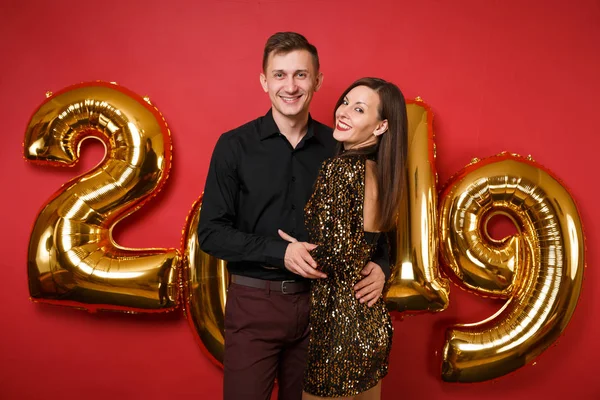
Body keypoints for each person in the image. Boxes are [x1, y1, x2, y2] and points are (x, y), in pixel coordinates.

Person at [197, 33, 391, 400]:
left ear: (317, 80)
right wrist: (279, 252)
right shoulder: (233, 146)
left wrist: (382, 266)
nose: (290, 86)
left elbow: (378, 230)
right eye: (280, 75)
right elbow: (211, 233)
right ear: (264, 81)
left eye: (301, 75)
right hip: (255, 305)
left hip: (323, 308)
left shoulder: (341, 148)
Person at [281, 77, 408, 399]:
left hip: (337, 334)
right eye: (346, 101)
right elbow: (374, 247)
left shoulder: (340, 170)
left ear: (380, 127)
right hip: (370, 324)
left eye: (360, 109)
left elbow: (338, 255)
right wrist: (380, 266)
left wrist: (290, 249)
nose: (344, 111)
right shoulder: (381, 173)